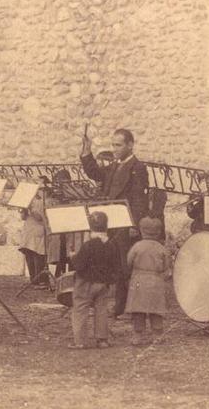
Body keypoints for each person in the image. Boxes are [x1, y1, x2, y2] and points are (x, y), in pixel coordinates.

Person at [80, 128, 149, 318]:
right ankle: (114, 305)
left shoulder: (138, 168)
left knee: (124, 267)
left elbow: (138, 199)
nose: (115, 149)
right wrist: (87, 151)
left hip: (126, 224)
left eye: (118, 145)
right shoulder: (114, 166)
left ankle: (126, 307)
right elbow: (94, 173)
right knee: (113, 265)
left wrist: (135, 225)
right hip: (112, 223)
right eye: (113, 145)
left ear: (130, 145)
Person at [68, 212, 120, 349]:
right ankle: (102, 340)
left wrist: (73, 256)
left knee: (80, 308)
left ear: (90, 227)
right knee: (101, 309)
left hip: (86, 282)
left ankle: (80, 341)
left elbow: (79, 265)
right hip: (104, 283)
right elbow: (116, 266)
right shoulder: (112, 245)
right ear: (106, 226)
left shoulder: (88, 245)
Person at [124, 217, 170, 346]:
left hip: (139, 279)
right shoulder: (161, 248)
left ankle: (138, 336)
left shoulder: (137, 246)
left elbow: (129, 261)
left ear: (141, 230)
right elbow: (167, 265)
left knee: (138, 310)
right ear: (159, 231)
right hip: (156, 280)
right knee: (156, 309)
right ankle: (158, 335)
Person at [18, 192, 50, 286]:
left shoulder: (43, 201)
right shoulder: (28, 199)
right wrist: (23, 209)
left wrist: (30, 208)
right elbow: (23, 218)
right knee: (29, 254)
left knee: (38, 255)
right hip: (28, 230)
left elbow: (40, 217)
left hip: (39, 229)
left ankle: (41, 280)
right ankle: (33, 279)